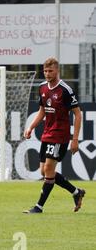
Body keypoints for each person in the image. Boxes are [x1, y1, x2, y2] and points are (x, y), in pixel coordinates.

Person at [23, 57, 85, 214]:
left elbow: (78, 114)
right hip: (47, 135)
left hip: (60, 136)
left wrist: (75, 139)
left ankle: (39, 207)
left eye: (50, 71)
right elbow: (42, 110)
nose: (47, 73)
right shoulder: (42, 87)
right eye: (45, 71)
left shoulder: (65, 90)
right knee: (44, 171)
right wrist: (31, 127)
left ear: (57, 71)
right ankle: (76, 192)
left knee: (49, 169)